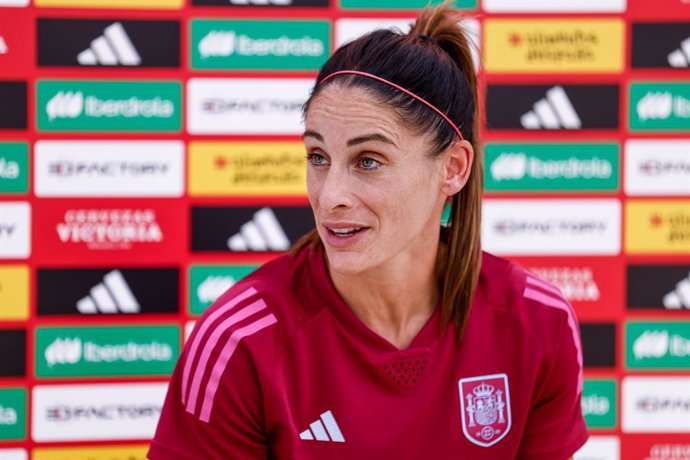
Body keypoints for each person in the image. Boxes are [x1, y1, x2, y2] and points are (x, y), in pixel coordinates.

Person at [148, 4, 588, 459]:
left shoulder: (539, 321)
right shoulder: (238, 341)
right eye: (318, 157)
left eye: (368, 161)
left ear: (453, 168)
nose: (330, 194)